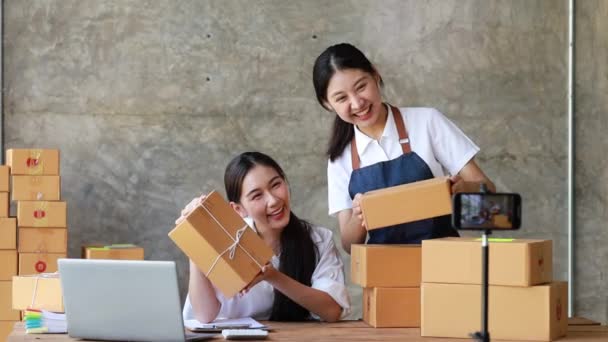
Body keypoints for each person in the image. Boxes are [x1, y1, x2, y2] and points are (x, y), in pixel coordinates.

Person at [312, 43, 496, 252]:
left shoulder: (427, 121)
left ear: (375, 74)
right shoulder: (340, 159)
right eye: (341, 98)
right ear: (327, 104)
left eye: (361, 87)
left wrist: (462, 191)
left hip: (445, 264)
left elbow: (489, 194)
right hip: (387, 273)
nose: (357, 103)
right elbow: (349, 245)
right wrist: (359, 215)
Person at [175, 152, 350, 323]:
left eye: (276, 185)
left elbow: (332, 311)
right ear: (238, 210)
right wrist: (195, 241)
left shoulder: (318, 239)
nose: (273, 200)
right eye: (257, 195)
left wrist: (273, 276)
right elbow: (205, 316)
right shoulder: (223, 239)